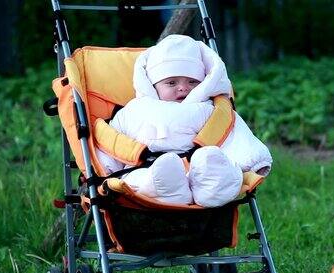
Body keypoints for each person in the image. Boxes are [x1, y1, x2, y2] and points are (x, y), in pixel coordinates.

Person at [96, 35, 272, 207]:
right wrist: (106, 168)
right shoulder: (134, 110)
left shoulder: (207, 108)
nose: (183, 87)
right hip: (147, 167)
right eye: (171, 83)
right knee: (143, 179)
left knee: (213, 163)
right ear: (152, 85)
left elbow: (233, 132)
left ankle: (212, 188)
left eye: (192, 82)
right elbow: (114, 139)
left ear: (203, 83)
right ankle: (167, 185)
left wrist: (257, 161)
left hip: (199, 170)